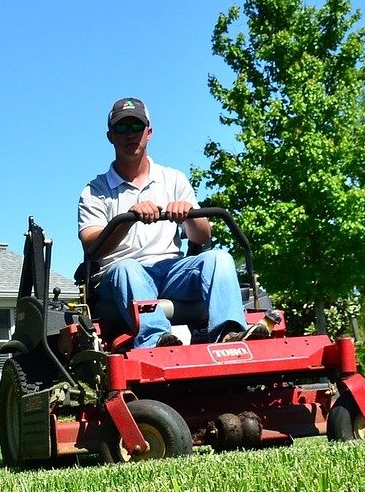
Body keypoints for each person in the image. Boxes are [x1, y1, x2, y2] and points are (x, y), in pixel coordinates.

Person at [77, 97, 263, 346]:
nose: (130, 134)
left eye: (137, 127)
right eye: (122, 128)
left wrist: (189, 216)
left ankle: (229, 333)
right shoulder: (95, 190)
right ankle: (156, 340)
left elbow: (203, 237)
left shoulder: (174, 179)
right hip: (119, 276)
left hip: (172, 271)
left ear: (149, 132)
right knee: (127, 268)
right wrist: (128, 220)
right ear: (110, 136)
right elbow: (92, 245)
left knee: (219, 258)